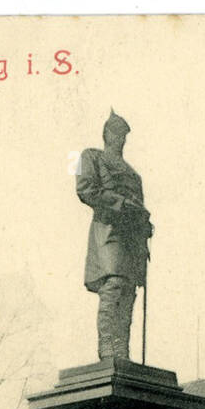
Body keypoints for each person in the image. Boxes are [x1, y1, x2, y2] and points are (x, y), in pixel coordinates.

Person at [76, 110, 153, 360]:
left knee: (129, 290)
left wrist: (145, 223)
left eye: (124, 135)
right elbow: (85, 189)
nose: (121, 139)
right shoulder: (91, 157)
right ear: (106, 134)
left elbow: (140, 207)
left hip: (132, 237)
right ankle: (107, 345)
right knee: (114, 284)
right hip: (109, 231)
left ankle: (121, 349)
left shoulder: (134, 175)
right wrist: (120, 203)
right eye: (117, 133)